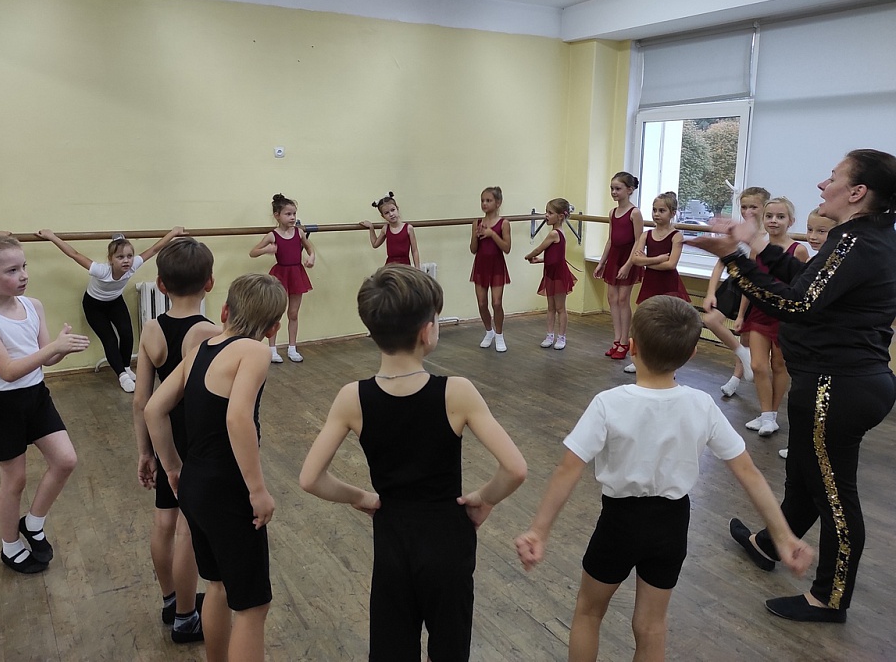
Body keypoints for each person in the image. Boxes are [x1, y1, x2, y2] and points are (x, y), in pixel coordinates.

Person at [515, 296, 814, 660]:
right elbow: (749, 473)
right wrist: (783, 536)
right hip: (672, 526)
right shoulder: (702, 404)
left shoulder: (609, 403)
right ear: (691, 354)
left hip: (619, 524)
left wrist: (539, 531)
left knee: (589, 612)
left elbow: (568, 469)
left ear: (633, 347)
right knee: (652, 625)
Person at [692, 149, 896, 623]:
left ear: (857, 192)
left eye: (833, 177)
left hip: (838, 387)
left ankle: (830, 599)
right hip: (836, 382)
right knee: (805, 476)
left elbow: (797, 305)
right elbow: (808, 283)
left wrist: (735, 260)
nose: (823, 184)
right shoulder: (862, 238)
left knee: (835, 497)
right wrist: (756, 246)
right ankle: (769, 543)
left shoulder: (856, 242)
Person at [299, 265, 527, 661]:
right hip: (448, 539)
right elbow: (515, 468)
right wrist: (484, 498)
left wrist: (362, 498)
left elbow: (310, 478)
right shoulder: (457, 392)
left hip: (393, 538)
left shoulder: (352, 397)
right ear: (427, 331)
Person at [145, 273, 286, 662]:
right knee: (253, 607)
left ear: (224, 311)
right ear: (273, 328)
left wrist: (173, 468)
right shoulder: (254, 352)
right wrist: (257, 490)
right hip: (228, 491)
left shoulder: (199, 351)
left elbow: (153, 409)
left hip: (195, 484)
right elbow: (237, 418)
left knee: (218, 587)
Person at [0, 235, 88, 572]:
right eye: (12, 270)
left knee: (65, 460)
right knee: (14, 480)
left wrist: (61, 347)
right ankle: (10, 546)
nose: (23, 275)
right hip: (1, 405)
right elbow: (6, 371)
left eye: (24, 266)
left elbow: (47, 359)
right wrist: (51, 350)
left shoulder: (33, 305)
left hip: (36, 397)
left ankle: (33, 522)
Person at [132, 237, 219, 642]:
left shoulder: (151, 329)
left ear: (161, 285)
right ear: (210, 283)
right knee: (187, 527)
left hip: (163, 436)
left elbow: (141, 400)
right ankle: (186, 617)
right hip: (195, 441)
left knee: (164, 519)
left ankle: (171, 600)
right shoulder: (209, 332)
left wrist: (145, 451)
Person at [36, 226, 184, 392]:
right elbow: (74, 254)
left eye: (129, 256)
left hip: (115, 302)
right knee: (110, 340)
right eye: (120, 257)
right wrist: (52, 236)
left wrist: (173, 233)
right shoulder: (101, 270)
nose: (126, 260)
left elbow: (155, 249)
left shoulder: (133, 265)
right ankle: (122, 376)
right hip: (94, 306)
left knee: (127, 333)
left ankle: (126, 367)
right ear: (111, 259)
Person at [736, 197, 808, 436]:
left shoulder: (798, 250)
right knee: (758, 364)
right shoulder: (757, 248)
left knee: (778, 364)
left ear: (791, 221)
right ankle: (765, 414)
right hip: (759, 313)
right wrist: (741, 315)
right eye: (769, 216)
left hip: (783, 315)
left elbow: (800, 287)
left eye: (780, 217)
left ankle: (772, 415)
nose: (774, 221)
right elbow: (750, 284)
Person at [778, 209, 837, 459]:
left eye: (821, 231)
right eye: (810, 230)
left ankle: (810, 449)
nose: (813, 236)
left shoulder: (833, 264)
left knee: (816, 407)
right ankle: (799, 446)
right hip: (805, 351)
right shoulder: (815, 261)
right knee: (801, 404)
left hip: (822, 352)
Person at [702, 187, 769, 398]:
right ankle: (742, 354)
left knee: (745, 337)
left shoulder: (766, 236)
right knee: (710, 319)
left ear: (764, 207)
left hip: (753, 288)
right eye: (744, 207)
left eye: (753, 207)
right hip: (734, 283)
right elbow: (720, 263)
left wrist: (741, 314)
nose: (748, 211)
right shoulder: (736, 232)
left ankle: (735, 378)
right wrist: (710, 293)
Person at [623, 192, 691, 374]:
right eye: (654, 210)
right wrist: (657, 259)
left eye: (662, 210)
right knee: (643, 321)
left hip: (668, 284)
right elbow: (636, 260)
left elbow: (671, 264)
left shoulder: (676, 236)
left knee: (668, 325)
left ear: (672, 213)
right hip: (651, 283)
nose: (656, 214)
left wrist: (647, 261)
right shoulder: (646, 235)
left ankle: (670, 363)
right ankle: (639, 359)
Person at [249, 193, 314, 363]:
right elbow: (253, 252)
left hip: (297, 273)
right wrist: (266, 250)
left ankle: (292, 347)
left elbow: (309, 248)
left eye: (294, 214)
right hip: (280, 275)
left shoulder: (299, 232)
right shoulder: (273, 235)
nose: (292, 217)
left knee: (293, 313)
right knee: (275, 313)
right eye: (288, 214)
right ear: (277, 215)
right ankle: (272, 349)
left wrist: (311, 257)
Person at [592, 172, 643, 361]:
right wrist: (602, 262)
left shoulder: (635, 213)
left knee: (623, 299)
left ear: (629, 190)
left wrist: (629, 264)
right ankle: (616, 339)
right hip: (614, 257)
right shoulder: (612, 213)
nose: (614, 192)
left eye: (618, 188)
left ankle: (624, 341)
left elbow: (639, 241)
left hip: (628, 258)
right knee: (612, 298)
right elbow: (610, 240)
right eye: (612, 188)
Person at [525, 198, 576, 350]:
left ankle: (561, 337)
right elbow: (553, 256)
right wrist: (540, 260)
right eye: (546, 212)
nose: (546, 215)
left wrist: (529, 256)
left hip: (559, 275)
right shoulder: (556, 232)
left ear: (560, 216)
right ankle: (549, 335)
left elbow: (539, 249)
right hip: (550, 273)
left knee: (560, 307)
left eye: (550, 213)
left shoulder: (554, 233)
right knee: (551, 307)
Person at [470, 185, 512, 352]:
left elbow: (507, 248)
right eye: (482, 200)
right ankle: (489, 331)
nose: (484, 204)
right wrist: (476, 236)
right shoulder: (477, 223)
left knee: (496, 302)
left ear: (498, 202)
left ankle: (499, 335)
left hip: (496, 266)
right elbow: (473, 249)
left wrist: (492, 234)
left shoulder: (504, 223)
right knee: (482, 303)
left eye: (488, 200)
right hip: (481, 265)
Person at [359, 191, 420, 268]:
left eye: (393, 210)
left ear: (397, 209)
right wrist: (371, 228)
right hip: (390, 266)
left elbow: (414, 251)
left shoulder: (408, 228)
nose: (391, 214)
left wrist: (417, 268)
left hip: (405, 266)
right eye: (387, 213)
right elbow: (375, 244)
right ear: (383, 216)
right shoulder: (385, 229)